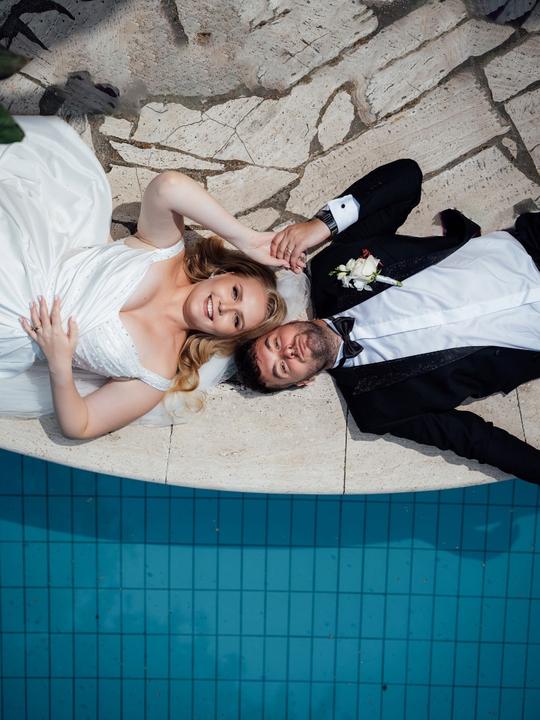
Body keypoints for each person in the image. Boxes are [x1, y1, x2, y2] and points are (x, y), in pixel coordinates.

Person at [235, 159, 540, 484]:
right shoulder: (377, 409)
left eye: (275, 344)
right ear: (302, 382)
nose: (288, 352)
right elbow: (474, 440)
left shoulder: (330, 270)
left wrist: (322, 225)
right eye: (283, 368)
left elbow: (407, 177)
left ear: (280, 325)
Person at [0, 116, 288, 438]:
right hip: (21, 258)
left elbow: (81, 425)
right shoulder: (164, 250)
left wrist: (59, 364)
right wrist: (246, 239)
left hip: (12, 329)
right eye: (235, 293)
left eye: (236, 320)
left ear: (227, 336)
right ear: (223, 274)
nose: (224, 308)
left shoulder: (156, 372)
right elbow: (168, 186)